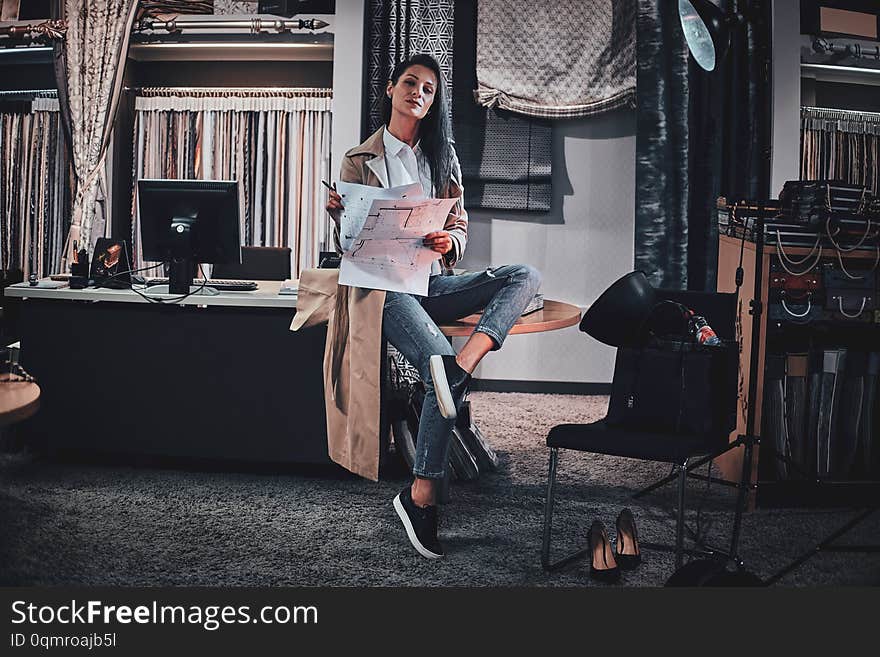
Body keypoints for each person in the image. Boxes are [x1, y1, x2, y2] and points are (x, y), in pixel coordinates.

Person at [326, 53, 541, 559]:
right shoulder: (359, 159)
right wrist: (340, 216)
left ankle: (462, 368)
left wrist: (451, 242)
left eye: (428, 88)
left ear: (433, 101)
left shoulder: (442, 158)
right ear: (391, 90)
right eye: (410, 83)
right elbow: (349, 243)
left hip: (433, 282)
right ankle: (421, 496)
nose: (418, 92)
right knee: (435, 365)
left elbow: (460, 224)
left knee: (525, 276)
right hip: (386, 288)